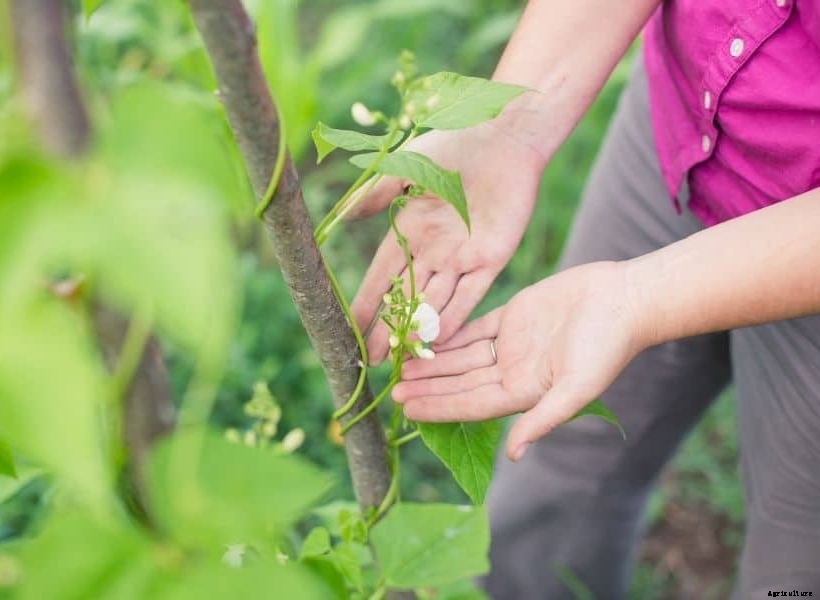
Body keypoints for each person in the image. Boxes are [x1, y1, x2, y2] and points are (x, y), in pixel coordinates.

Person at [348, 0, 820, 597]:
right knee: (564, 453)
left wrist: (636, 299)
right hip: (688, 110)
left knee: (796, 562)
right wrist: (509, 126)